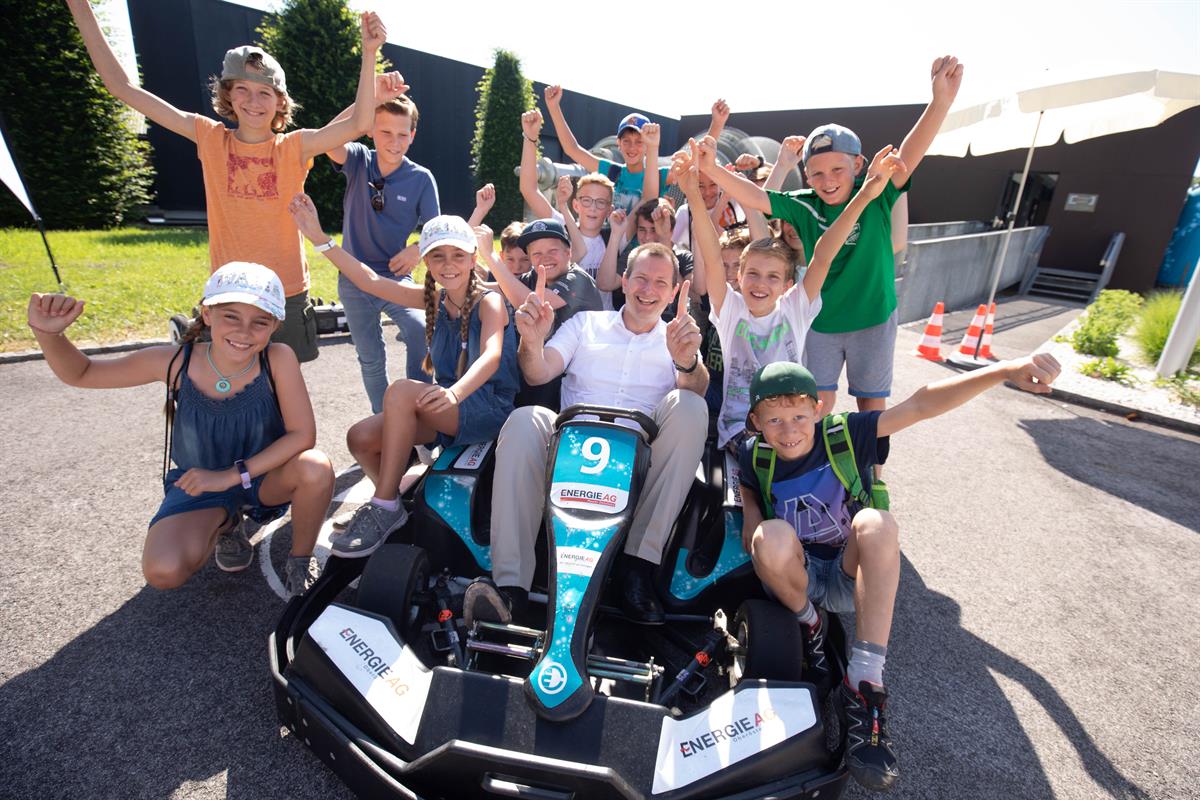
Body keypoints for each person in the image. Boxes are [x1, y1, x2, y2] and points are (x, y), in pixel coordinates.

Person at [739, 353, 1060, 792]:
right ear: (756, 421)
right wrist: (763, 550)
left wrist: (1003, 371)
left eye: (799, 415)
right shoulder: (752, 457)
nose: (789, 430)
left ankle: (865, 681)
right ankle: (809, 626)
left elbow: (921, 404)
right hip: (804, 576)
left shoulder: (847, 434)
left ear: (819, 409)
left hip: (851, 572)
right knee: (769, 537)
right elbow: (752, 526)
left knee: (877, 522)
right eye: (774, 420)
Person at [66, 0, 387, 363]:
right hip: (229, 290)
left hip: (286, 290)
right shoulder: (210, 138)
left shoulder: (295, 147)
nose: (253, 101)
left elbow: (360, 124)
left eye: (265, 92)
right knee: (230, 384)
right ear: (227, 95)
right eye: (242, 90)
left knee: (284, 384)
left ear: (280, 102)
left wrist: (369, 52)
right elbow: (122, 87)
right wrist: (80, 9)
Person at [26, 263, 335, 596]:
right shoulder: (175, 362)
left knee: (314, 467)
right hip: (200, 481)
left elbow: (302, 436)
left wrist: (231, 475)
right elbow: (83, 373)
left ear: (274, 324)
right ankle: (227, 523)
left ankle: (300, 560)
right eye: (231, 316)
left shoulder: (278, 357)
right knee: (164, 570)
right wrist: (49, 334)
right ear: (207, 313)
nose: (245, 331)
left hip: (261, 477)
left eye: (260, 321)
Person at [697, 57, 964, 414]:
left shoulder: (876, 191)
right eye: (817, 173)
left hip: (873, 315)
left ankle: (872, 469)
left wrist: (940, 102)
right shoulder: (805, 205)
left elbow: (909, 154)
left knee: (872, 404)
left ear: (857, 165)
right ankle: (818, 463)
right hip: (820, 320)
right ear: (806, 175)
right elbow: (755, 196)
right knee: (816, 403)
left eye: (838, 169)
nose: (828, 180)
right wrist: (711, 169)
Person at [464, 244, 709, 627]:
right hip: (568, 451)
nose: (648, 289)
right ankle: (509, 587)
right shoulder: (585, 324)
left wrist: (688, 362)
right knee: (527, 417)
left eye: (660, 282)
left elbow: (695, 389)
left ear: (674, 291)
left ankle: (637, 566)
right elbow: (538, 373)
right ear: (624, 281)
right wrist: (531, 340)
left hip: (638, 464)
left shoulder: (679, 340)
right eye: (641, 278)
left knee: (691, 406)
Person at [288, 196, 518, 557]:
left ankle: (382, 506)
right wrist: (320, 238)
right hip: (451, 405)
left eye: (458, 255)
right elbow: (370, 280)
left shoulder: (488, 301)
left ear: (474, 259)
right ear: (426, 261)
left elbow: (490, 355)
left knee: (400, 391)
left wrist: (455, 393)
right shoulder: (436, 300)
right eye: (438, 256)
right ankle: (397, 506)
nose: (448, 264)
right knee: (361, 438)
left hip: (489, 408)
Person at [683, 139, 908, 450]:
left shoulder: (794, 309)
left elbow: (825, 254)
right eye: (753, 274)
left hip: (791, 436)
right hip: (741, 435)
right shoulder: (730, 309)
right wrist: (694, 194)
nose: (761, 283)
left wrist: (865, 196)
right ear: (739, 276)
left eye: (772, 276)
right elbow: (711, 255)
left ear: (787, 284)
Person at [324, 78, 440, 412]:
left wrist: (417, 249)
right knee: (370, 358)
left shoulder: (421, 178)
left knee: (420, 329)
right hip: (354, 277)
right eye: (385, 132)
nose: (394, 141)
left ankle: (416, 411)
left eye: (403, 134)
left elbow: (435, 230)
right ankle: (383, 421)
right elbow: (327, 139)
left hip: (393, 278)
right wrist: (371, 98)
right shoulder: (359, 159)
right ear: (371, 130)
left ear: (412, 136)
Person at [542, 85, 671, 213]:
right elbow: (572, 149)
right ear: (618, 143)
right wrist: (553, 107)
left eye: (639, 142)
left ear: (648, 145)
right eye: (626, 141)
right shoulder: (613, 172)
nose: (632, 147)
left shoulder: (660, 175)